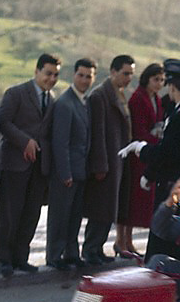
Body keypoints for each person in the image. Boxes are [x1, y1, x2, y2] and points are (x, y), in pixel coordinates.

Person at [127, 59, 180, 261]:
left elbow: (167, 154)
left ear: (172, 87)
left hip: (176, 189)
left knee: (164, 246)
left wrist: (141, 149)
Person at [0, 53, 60, 276]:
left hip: (39, 166)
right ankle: (4, 260)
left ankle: (21, 258)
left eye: (55, 75)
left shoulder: (52, 99)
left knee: (31, 213)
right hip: (14, 164)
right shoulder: (16, 93)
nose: (51, 79)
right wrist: (25, 141)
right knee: (9, 213)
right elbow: (3, 123)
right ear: (37, 71)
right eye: (48, 73)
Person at [83, 54, 135, 264]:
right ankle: (91, 249)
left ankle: (97, 248)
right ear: (113, 72)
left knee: (109, 209)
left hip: (117, 160)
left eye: (131, 74)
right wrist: (100, 165)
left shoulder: (119, 93)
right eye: (125, 73)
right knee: (100, 209)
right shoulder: (99, 96)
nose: (128, 78)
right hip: (106, 162)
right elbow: (97, 133)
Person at [45, 58, 95, 269]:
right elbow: (60, 142)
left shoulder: (85, 102)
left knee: (74, 216)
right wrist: (65, 173)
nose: (84, 80)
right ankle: (54, 255)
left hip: (81, 170)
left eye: (88, 76)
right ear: (74, 75)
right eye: (80, 75)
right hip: (66, 172)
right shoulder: (65, 103)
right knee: (60, 215)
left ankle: (71, 252)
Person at [124, 61, 165, 253]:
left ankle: (128, 241)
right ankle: (124, 240)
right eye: (156, 79)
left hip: (150, 151)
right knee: (132, 200)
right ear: (147, 79)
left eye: (162, 80)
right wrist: (157, 141)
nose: (159, 84)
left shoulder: (156, 98)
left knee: (141, 201)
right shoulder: (138, 98)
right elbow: (138, 130)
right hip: (138, 152)